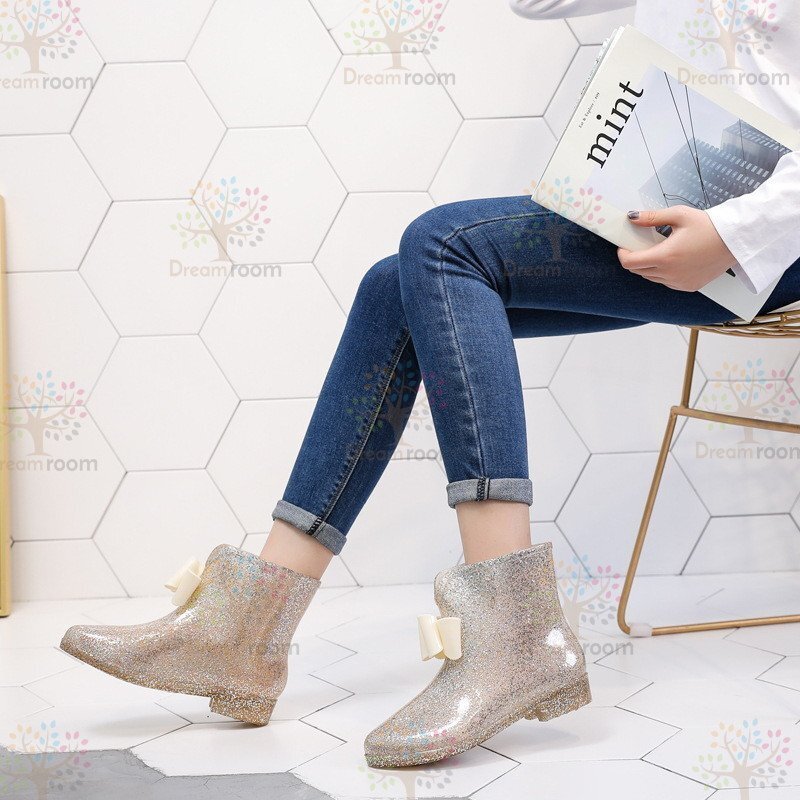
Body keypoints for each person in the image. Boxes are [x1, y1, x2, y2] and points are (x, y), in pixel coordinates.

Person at [60, 0, 800, 770]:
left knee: (444, 247)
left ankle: (511, 636)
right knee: (395, 288)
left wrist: (736, 233)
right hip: (677, 197)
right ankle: (241, 634)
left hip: (770, 235)